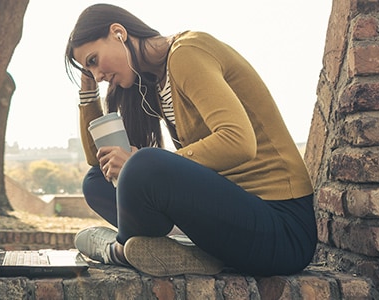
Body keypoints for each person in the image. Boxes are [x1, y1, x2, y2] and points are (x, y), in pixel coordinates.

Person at [65, 3, 316, 277]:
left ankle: (119, 250)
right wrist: (88, 92)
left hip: (282, 229)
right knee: (97, 179)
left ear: (118, 33)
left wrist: (140, 163)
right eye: (89, 71)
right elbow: (98, 158)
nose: (98, 75)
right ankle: (174, 252)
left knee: (142, 163)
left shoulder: (187, 52)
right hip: (232, 220)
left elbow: (239, 141)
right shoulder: (152, 81)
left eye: (93, 61)